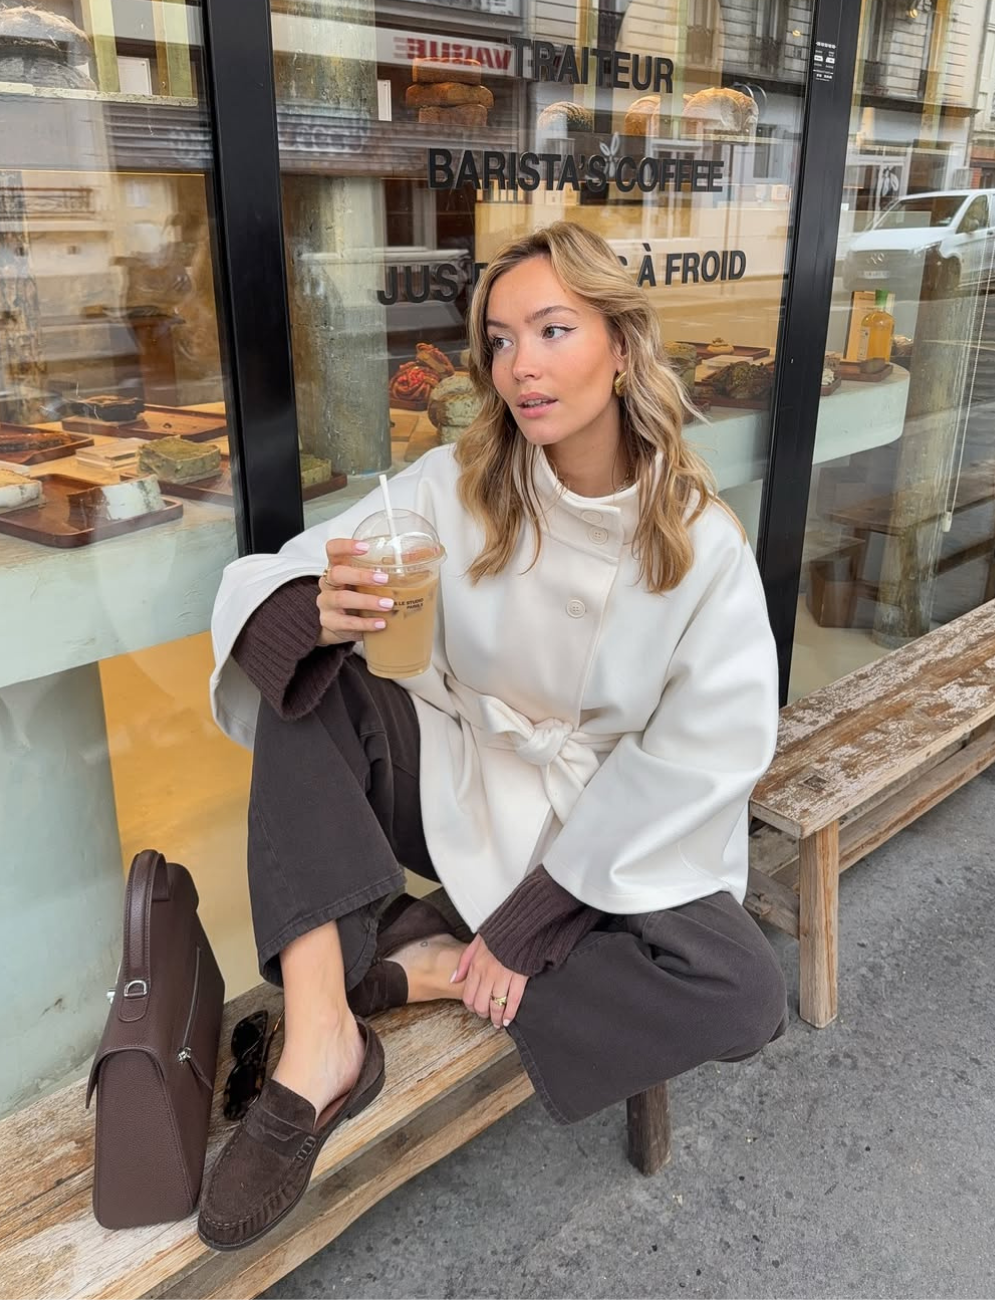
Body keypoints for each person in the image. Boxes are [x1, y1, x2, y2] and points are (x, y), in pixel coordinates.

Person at [201, 221, 788, 1251]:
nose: (522, 366)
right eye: (502, 340)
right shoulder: (456, 480)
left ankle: (420, 966)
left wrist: (535, 918)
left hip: (610, 819)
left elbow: (702, 755)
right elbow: (272, 574)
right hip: (459, 773)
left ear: (620, 345)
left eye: (553, 330)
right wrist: (315, 608)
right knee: (311, 681)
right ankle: (321, 1042)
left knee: (742, 993)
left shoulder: (702, 543)